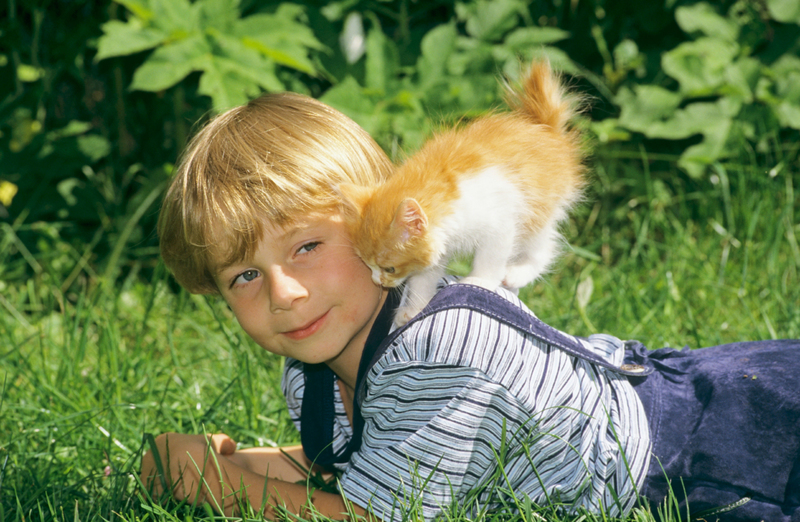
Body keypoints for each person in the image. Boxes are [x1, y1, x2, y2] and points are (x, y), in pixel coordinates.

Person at [143, 89, 800, 522]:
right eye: (245, 275)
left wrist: (215, 483)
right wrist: (218, 461)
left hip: (717, 452)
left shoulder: (442, 347)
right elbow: (357, 469)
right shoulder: (315, 370)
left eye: (308, 246)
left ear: (380, 222)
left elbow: (373, 517)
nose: (284, 293)